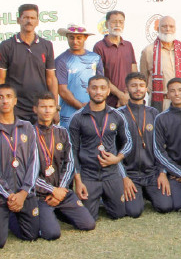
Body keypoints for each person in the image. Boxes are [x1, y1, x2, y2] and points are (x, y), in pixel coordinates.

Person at [32, 93, 95, 240]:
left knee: (88, 224)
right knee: (52, 234)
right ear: (35, 109)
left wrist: (60, 190)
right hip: (40, 195)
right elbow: (27, 173)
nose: (47, 111)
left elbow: (70, 162)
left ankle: (57, 211)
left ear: (56, 109)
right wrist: (53, 190)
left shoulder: (62, 132)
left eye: (51, 107)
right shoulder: (28, 134)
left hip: (62, 191)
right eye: (43, 107)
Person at [68, 76, 132, 220]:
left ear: (108, 91)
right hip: (88, 174)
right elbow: (72, 152)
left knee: (119, 214)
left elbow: (128, 143)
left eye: (102, 88)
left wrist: (117, 158)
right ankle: (94, 198)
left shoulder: (117, 115)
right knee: (88, 218)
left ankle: (106, 198)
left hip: (111, 173)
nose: (98, 92)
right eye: (94, 88)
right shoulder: (77, 118)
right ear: (88, 90)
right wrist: (78, 181)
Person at [0, 84, 39, 248]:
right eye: (0, 97)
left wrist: (23, 192)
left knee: (32, 236)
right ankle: (6, 217)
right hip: (2, 197)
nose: (4, 101)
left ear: (15, 100)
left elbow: (34, 161)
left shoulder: (27, 126)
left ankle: (14, 216)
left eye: (8, 96)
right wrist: (8, 194)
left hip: (25, 193)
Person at [118, 72, 173, 216]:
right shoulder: (118, 115)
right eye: (133, 86)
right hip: (130, 174)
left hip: (152, 173)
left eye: (141, 86)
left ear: (146, 89)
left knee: (165, 207)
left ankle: (148, 193)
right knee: (134, 212)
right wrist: (124, 177)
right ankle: (138, 194)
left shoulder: (154, 113)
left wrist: (162, 173)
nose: (138, 89)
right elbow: (114, 149)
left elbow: (161, 147)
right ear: (126, 89)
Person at [0, 3, 59, 123]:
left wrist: (55, 108)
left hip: (40, 108)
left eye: (32, 18)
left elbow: (51, 79)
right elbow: (0, 79)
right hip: (15, 109)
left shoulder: (46, 45)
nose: (29, 21)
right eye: (25, 17)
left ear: (37, 21)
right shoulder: (6, 46)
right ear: (18, 20)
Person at [152, 78, 181, 211]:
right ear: (168, 94)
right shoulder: (161, 118)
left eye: (180, 90)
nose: (177, 94)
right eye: (172, 91)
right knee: (178, 205)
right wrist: (179, 172)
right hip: (174, 171)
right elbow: (158, 151)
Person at [55, 24, 104, 128]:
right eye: (71, 37)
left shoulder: (95, 58)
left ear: (85, 38)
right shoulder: (61, 60)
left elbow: (101, 85)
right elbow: (62, 90)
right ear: (67, 37)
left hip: (93, 113)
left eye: (79, 38)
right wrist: (82, 107)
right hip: (69, 115)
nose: (75, 41)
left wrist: (94, 105)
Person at [140, 15, 181, 111]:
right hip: (159, 101)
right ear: (158, 29)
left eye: (171, 26)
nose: (168, 29)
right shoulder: (148, 51)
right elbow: (143, 78)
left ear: (175, 28)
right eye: (164, 26)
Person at [92, 10, 137, 108]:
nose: (117, 24)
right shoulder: (99, 47)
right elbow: (101, 77)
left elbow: (134, 72)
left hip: (129, 99)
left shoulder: (128, 45)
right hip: (109, 101)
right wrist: (120, 95)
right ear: (106, 24)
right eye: (114, 22)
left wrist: (128, 94)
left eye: (121, 22)